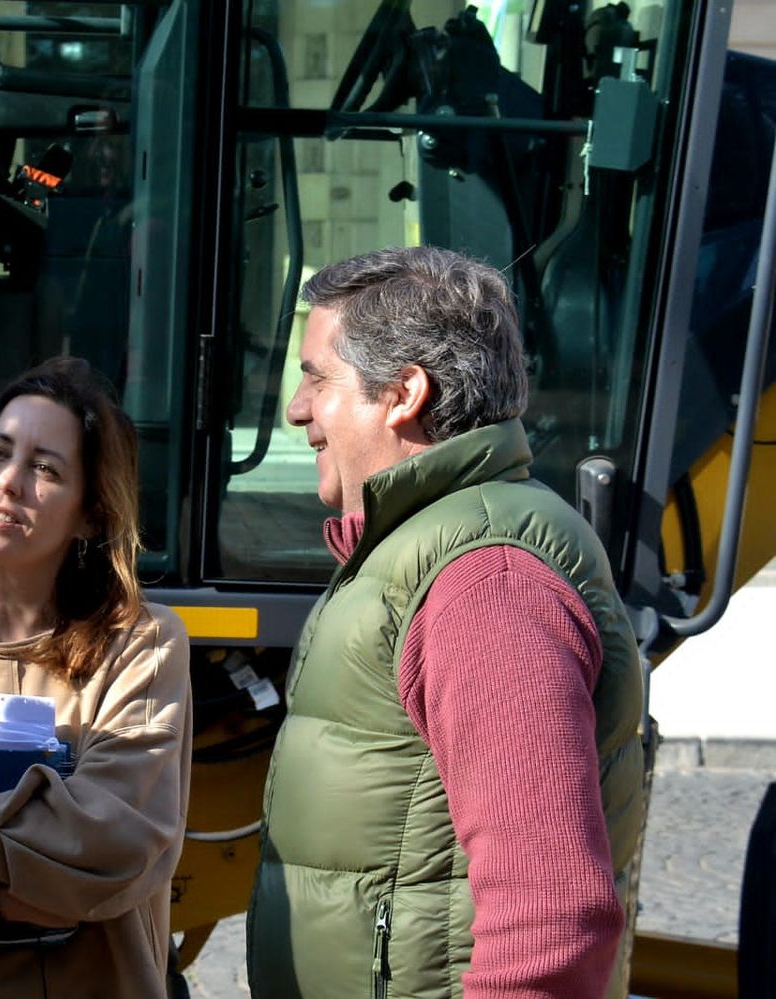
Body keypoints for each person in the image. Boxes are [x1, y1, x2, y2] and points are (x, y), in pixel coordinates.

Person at [246, 246, 646, 998]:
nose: (297, 407)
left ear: (402, 393)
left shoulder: (484, 578)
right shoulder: (433, 547)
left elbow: (552, 917)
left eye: (316, 377)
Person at [0, 357, 192, 998]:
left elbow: (109, 844)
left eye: (45, 468)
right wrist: (29, 857)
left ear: (90, 515)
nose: (8, 483)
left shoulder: (142, 645)